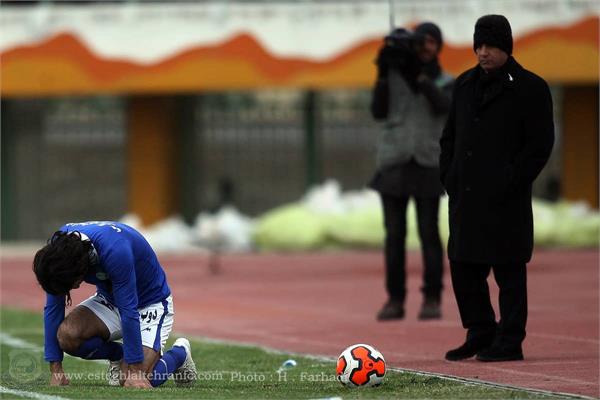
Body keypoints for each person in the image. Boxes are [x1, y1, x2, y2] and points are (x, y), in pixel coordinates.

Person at [440, 15, 554, 361]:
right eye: (478, 45)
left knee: (509, 271)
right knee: (463, 266)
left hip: (505, 200)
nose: (483, 52)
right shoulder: (463, 85)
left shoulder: (530, 88)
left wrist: (511, 180)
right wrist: (451, 176)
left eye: (490, 45)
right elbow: (449, 138)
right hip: (466, 198)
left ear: (506, 46)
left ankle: (509, 341)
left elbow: (539, 145)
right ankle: (480, 331)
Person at [32, 221, 198, 387]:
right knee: (68, 335)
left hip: (149, 303)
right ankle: (118, 356)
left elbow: (129, 310)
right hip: (110, 299)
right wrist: (56, 370)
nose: (74, 287)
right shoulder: (59, 251)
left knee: (140, 379)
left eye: (71, 284)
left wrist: (134, 371)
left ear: (80, 267)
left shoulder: (115, 251)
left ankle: (179, 354)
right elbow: (53, 308)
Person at [370, 22, 454, 321]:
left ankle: (432, 297)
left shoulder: (445, 80)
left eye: (432, 41)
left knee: (429, 233)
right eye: (422, 42)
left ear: (439, 47)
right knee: (394, 236)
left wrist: (418, 76)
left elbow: (442, 105)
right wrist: (383, 73)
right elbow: (378, 111)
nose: (426, 47)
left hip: (427, 162)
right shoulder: (393, 75)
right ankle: (395, 298)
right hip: (394, 162)